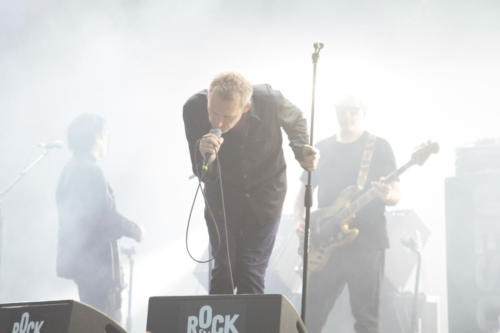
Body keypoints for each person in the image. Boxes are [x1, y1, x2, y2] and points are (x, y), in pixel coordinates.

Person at [183, 72, 318, 294]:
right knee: (223, 270)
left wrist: (301, 149)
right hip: (223, 197)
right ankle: (218, 327)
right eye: (213, 112)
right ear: (207, 97)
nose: (217, 121)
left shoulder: (269, 99)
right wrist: (206, 155)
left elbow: (296, 119)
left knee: (251, 270)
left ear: (245, 108)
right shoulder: (193, 108)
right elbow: (202, 172)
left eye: (227, 116)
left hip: (266, 195)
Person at [295, 96, 400, 333]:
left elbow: (396, 194)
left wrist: (386, 195)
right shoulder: (321, 148)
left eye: (354, 110)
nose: (348, 115)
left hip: (367, 244)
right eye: (343, 110)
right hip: (325, 242)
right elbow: (302, 193)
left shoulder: (379, 146)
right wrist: (300, 221)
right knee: (309, 316)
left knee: (366, 318)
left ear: (363, 112)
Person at [56, 113, 143, 322]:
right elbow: (104, 217)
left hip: (83, 264)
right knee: (106, 322)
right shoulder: (90, 170)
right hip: (98, 267)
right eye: (106, 135)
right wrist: (135, 230)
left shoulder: (68, 170)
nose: (107, 141)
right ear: (96, 137)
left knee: (89, 321)